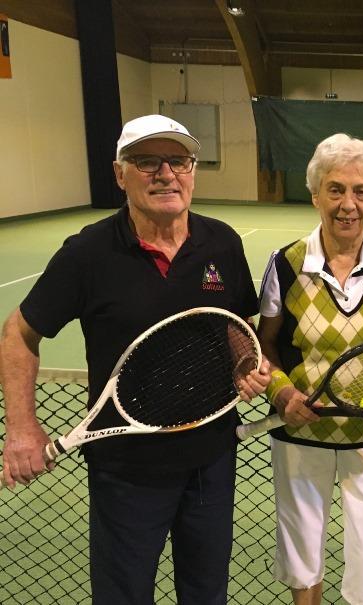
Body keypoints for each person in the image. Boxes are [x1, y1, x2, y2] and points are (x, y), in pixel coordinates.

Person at [0, 114, 271, 605]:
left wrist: (245, 363)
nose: (166, 173)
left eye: (179, 161)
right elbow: (18, 333)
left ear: (192, 171)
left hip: (211, 459)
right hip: (126, 471)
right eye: (147, 162)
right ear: (120, 173)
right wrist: (21, 428)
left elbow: (236, 325)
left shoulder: (223, 243)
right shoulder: (87, 253)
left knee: (206, 594)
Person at [256, 133, 363, 605]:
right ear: (315, 196)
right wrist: (284, 395)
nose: (348, 204)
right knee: (302, 547)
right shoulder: (286, 263)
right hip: (299, 433)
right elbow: (264, 346)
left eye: (360, 190)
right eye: (335, 190)